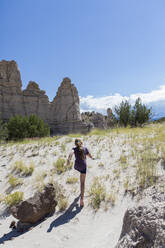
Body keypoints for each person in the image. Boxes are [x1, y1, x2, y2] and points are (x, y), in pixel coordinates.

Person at [67, 138, 94, 207]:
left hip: (77, 166)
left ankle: (80, 195)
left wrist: (68, 160)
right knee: (82, 183)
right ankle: (81, 199)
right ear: (81, 142)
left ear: (75, 144)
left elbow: (71, 153)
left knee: (80, 173)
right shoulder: (85, 148)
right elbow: (89, 155)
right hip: (83, 167)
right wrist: (92, 158)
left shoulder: (74, 149)